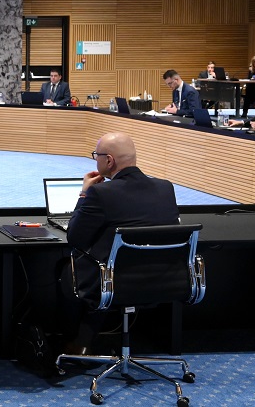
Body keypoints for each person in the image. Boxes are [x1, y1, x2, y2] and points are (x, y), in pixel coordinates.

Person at [61, 132, 179, 353]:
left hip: (113, 281)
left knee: (70, 269)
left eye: (96, 155)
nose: (95, 159)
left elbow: (75, 238)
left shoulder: (100, 192)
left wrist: (84, 194)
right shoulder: (166, 188)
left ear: (109, 160)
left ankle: (77, 343)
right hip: (163, 278)